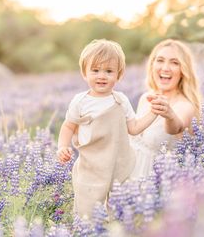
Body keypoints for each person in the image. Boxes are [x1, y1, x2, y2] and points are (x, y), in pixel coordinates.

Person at [57, 39, 157, 218]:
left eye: (109, 71)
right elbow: (68, 126)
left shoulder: (121, 100)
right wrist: (62, 146)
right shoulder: (80, 101)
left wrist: (153, 113)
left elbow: (133, 128)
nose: (102, 76)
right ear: (84, 73)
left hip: (118, 161)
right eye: (95, 70)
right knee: (87, 211)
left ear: (118, 75)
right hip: (91, 165)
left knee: (119, 210)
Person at [130, 38, 202, 179]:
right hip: (127, 181)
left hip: (158, 185)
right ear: (152, 65)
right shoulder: (145, 98)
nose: (165, 68)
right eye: (160, 60)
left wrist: (169, 114)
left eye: (174, 63)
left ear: (183, 70)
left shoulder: (186, 106)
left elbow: (175, 127)